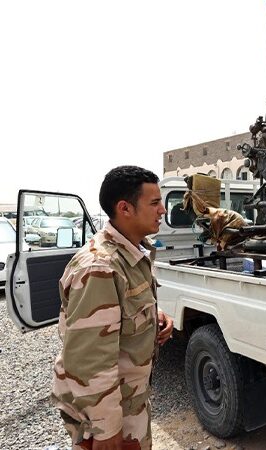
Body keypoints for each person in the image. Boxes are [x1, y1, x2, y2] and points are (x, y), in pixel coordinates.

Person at [52, 165, 174, 450]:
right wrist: (106, 430)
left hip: (127, 399)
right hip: (107, 410)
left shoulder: (131, 252)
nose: (163, 210)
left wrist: (154, 316)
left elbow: (122, 309)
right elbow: (89, 360)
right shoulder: (99, 267)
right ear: (125, 208)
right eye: (155, 203)